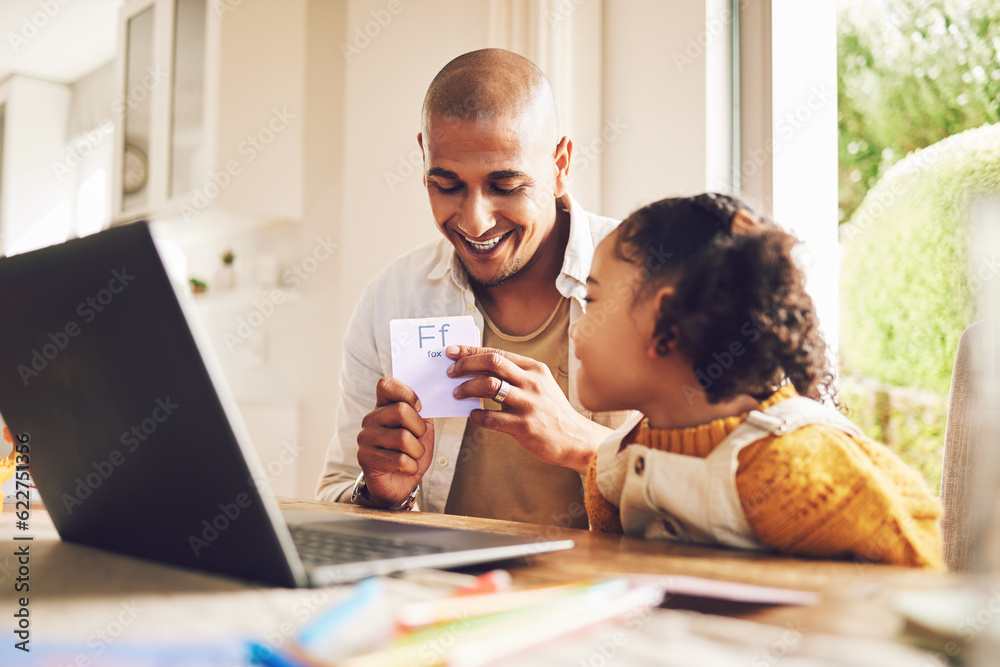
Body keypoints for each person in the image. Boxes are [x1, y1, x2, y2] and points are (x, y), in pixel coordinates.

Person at [316, 49, 630, 526]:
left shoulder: (648, 279)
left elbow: (724, 485)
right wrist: (383, 494)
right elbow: (337, 494)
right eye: (446, 184)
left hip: (603, 593)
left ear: (560, 164)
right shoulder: (391, 299)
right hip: (446, 594)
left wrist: (585, 445)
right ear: (424, 156)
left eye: (505, 186)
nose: (475, 221)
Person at [575, 193, 943, 568]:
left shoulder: (797, 470)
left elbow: (919, 581)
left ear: (664, 321)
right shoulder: (611, 469)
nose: (575, 329)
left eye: (591, 300)